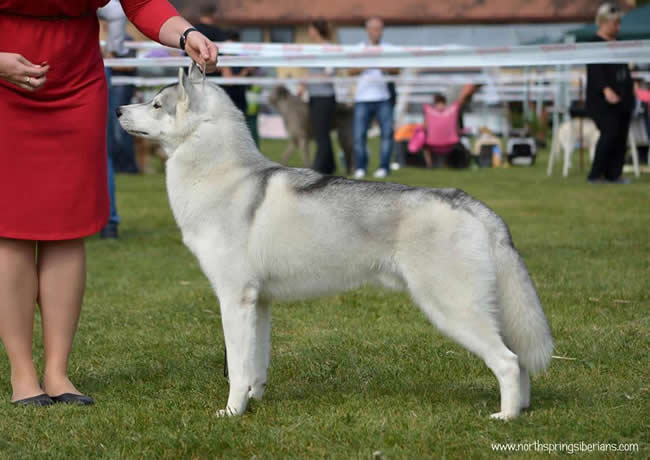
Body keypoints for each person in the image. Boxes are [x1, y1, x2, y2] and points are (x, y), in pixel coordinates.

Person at [0, 0, 218, 406]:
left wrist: (186, 34)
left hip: (76, 85)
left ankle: (58, 374)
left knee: (67, 227)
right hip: (2, 83)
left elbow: (143, 3)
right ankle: (22, 375)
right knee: (11, 229)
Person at [586, 3, 635, 184]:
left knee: (621, 136)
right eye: (615, 23)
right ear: (604, 22)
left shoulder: (619, 44)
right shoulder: (593, 44)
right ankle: (595, 174)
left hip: (624, 99)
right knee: (610, 133)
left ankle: (614, 174)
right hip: (602, 100)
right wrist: (606, 90)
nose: (618, 27)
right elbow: (595, 71)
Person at [351, 17, 399, 179]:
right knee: (359, 135)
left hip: (383, 97)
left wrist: (380, 64)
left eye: (378, 29)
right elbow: (350, 71)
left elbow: (396, 70)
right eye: (372, 29)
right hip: (362, 97)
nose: (375, 32)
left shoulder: (388, 48)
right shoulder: (359, 48)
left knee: (386, 134)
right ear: (367, 30)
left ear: (382, 30)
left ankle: (384, 167)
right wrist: (366, 63)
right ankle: (360, 167)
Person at [298, 20, 338, 175]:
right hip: (315, 96)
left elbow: (329, 73)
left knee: (321, 134)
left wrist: (308, 79)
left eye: (310, 29)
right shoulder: (314, 49)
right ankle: (330, 166)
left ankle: (318, 168)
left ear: (316, 30)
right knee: (321, 133)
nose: (308, 32)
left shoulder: (328, 48)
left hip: (325, 97)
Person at [420, 84, 478, 168]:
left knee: (425, 146)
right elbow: (457, 129)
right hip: (450, 143)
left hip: (432, 143)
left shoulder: (430, 112)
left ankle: (430, 165)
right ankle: (448, 164)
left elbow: (424, 127)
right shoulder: (451, 112)